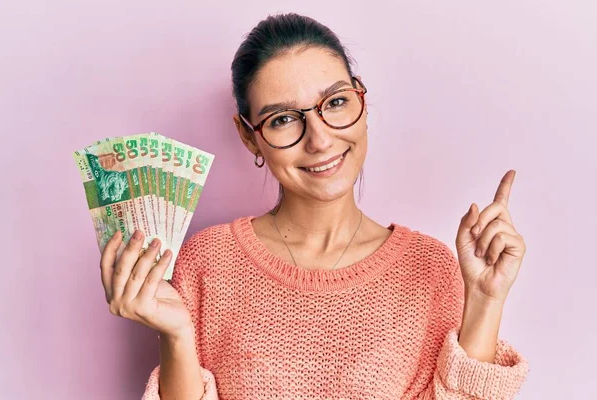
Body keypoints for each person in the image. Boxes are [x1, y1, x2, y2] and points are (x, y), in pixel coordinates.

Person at [100, 13, 530, 399]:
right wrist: (175, 336)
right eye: (284, 118)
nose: (320, 139)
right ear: (249, 135)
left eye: (336, 102)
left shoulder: (430, 268)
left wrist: (486, 300)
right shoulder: (208, 262)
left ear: (362, 102)